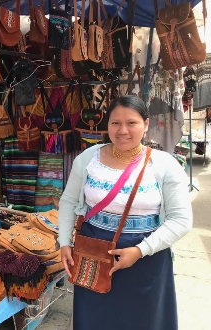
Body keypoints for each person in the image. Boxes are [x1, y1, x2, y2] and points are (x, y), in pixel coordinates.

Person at [58, 95, 192, 330]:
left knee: (144, 321)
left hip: (146, 258)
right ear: (107, 125)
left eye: (131, 123)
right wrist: (64, 242)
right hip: (93, 253)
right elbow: (68, 201)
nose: (122, 131)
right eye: (115, 123)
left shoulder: (164, 165)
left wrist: (140, 251)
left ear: (146, 124)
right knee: (94, 320)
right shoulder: (88, 159)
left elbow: (181, 220)